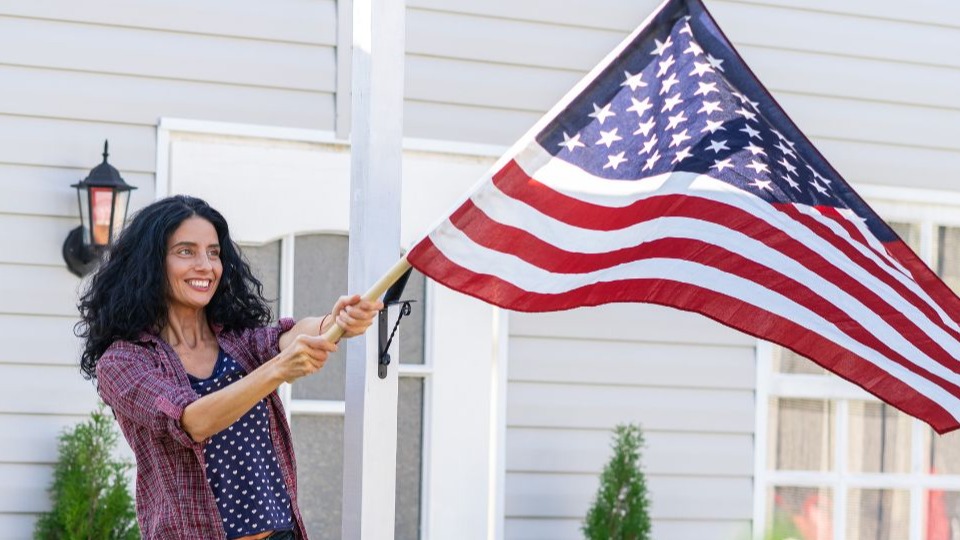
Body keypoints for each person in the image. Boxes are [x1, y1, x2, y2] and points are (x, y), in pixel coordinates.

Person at [76, 195, 382, 540]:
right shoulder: (125, 362)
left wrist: (335, 319)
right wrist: (277, 370)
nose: (206, 265)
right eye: (186, 251)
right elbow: (192, 421)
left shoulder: (238, 343)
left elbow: (289, 334)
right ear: (150, 264)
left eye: (214, 252)